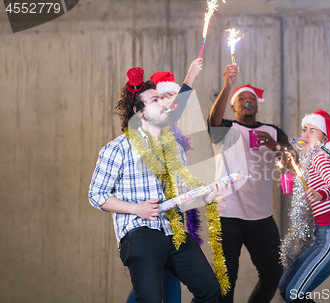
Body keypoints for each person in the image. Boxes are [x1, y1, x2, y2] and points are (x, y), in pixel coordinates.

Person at [89, 58, 231, 303]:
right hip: (139, 233)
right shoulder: (118, 148)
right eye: (156, 99)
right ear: (139, 111)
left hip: (174, 230)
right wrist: (136, 209)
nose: (165, 103)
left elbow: (181, 193)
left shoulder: (174, 147)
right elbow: (96, 195)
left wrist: (207, 195)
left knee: (210, 291)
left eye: (163, 98)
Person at [207, 64, 289, 303]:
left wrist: (275, 147)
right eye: (241, 98)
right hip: (227, 213)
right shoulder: (226, 128)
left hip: (260, 216)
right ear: (233, 106)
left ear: (257, 104)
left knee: (274, 273)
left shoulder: (272, 131)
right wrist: (228, 86)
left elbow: (292, 165)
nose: (247, 101)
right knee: (226, 280)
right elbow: (213, 120)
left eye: (251, 98)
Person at [124, 69, 197, 303]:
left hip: (172, 210)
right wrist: (190, 77)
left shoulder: (168, 132)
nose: (169, 104)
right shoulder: (148, 132)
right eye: (162, 98)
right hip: (153, 215)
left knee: (159, 281)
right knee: (162, 281)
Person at [279, 110, 330, 303]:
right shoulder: (309, 160)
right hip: (322, 236)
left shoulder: (320, 156)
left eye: (313, 130)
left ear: (324, 138)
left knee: (293, 293)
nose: (305, 135)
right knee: (285, 286)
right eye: (304, 129)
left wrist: (320, 194)